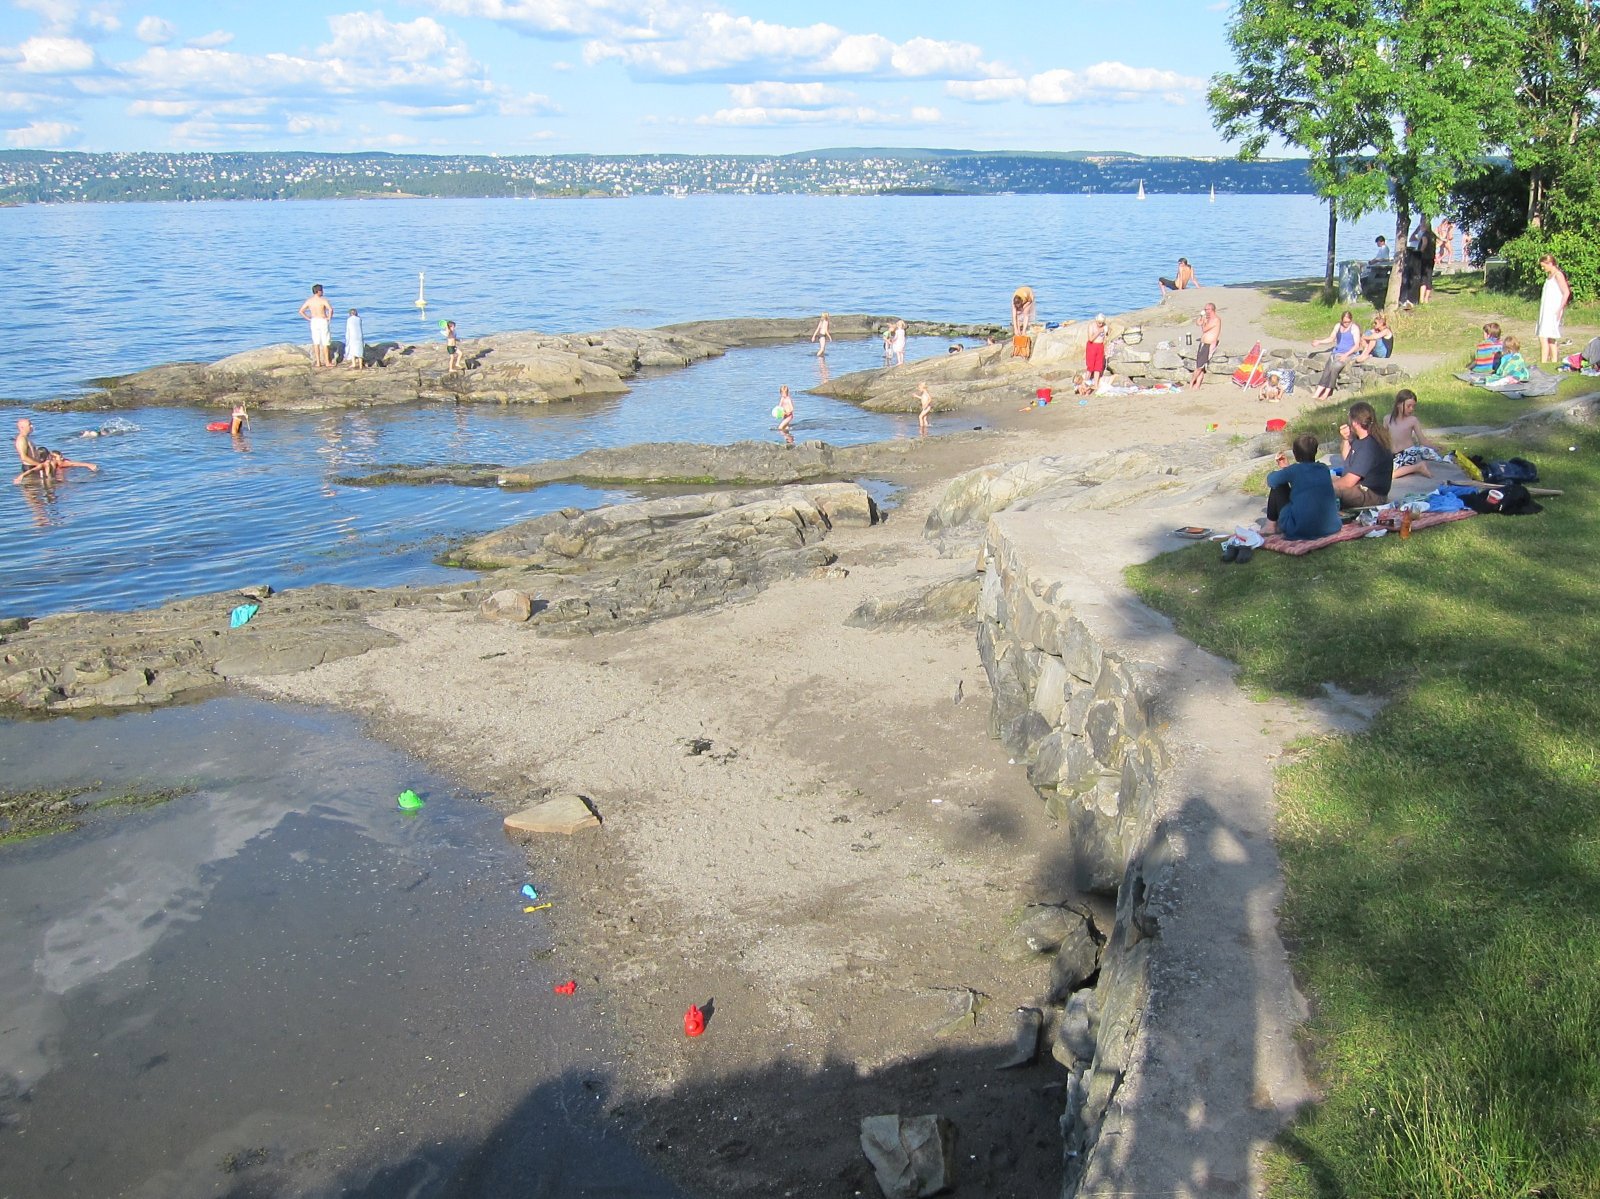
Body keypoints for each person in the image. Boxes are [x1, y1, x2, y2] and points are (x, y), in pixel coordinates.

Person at [1264, 433, 1341, 540]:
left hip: (1299, 530)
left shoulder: (1294, 470)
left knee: (1278, 486)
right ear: (1315, 451)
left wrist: (1285, 471)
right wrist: (1287, 469)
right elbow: (1305, 477)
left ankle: (1270, 526)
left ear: (1295, 454)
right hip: (1330, 527)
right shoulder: (1324, 469)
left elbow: (1271, 481)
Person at [1332, 401, 1393, 508]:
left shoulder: (1369, 446)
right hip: (1359, 487)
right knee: (1322, 478)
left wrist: (1325, 487)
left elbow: (1349, 482)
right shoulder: (1360, 438)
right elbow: (1348, 460)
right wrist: (1346, 439)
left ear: (1355, 422)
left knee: (1330, 491)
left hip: (1372, 495)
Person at [1385, 389, 1449, 481]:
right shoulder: (1387, 419)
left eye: (1413, 406)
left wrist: (1436, 447)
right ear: (1399, 404)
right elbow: (1384, 437)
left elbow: (1422, 440)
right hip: (1393, 454)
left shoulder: (1412, 420)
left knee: (1390, 475)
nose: (1411, 409)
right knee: (1381, 471)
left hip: (1408, 453)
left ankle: (1418, 467)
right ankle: (1415, 467)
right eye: (1409, 406)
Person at [1310, 310, 1361, 400]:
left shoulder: (1354, 328)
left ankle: (1327, 391)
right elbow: (1331, 338)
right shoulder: (1338, 326)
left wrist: (1346, 355)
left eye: (1348, 322)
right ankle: (1318, 391)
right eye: (1345, 322)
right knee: (1328, 368)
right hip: (1336, 352)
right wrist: (1319, 342)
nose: (1346, 324)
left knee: (1335, 367)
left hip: (1348, 354)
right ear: (1341, 320)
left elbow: (1356, 345)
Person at [1536, 254, 1572, 363]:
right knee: (1550, 338)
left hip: (1553, 310)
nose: (1543, 268)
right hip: (1546, 309)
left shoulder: (1558, 275)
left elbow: (1566, 292)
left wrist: (1559, 308)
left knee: (1544, 336)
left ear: (1550, 263)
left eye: (1544, 266)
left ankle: (1543, 362)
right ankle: (1553, 361)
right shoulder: (1549, 276)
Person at [299, 283, 334, 368]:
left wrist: (309, 318)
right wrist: (329, 318)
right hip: (322, 320)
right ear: (318, 291)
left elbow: (301, 311)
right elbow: (330, 309)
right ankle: (327, 362)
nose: (322, 292)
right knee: (325, 342)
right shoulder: (323, 300)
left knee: (316, 342)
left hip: (314, 321)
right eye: (321, 290)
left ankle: (318, 362)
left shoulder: (309, 301)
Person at [1190, 302, 1220, 390]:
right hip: (1203, 344)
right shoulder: (1207, 318)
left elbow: (1205, 329)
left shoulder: (1215, 319)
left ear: (1212, 310)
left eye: (1207, 309)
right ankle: (1197, 385)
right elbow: (1198, 323)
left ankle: (1192, 383)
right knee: (1201, 366)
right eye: (1205, 309)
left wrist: (1204, 322)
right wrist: (1201, 316)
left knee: (1199, 366)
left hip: (1208, 345)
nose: (1206, 311)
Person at [13, 417, 50, 483]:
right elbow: (23, 457)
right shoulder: (21, 439)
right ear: (22, 427)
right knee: (31, 490)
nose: (32, 426)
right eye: (29, 425)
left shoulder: (26, 438)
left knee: (38, 489)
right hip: (29, 466)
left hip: (34, 466)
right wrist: (38, 464)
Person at [1084, 313, 1109, 387]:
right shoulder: (1091, 326)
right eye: (1099, 323)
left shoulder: (1104, 326)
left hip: (1100, 346)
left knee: (1098, 366)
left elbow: (1105, 337)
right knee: (1090, 366)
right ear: (1096, 320)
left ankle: (1096, 384)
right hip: (1092, 346)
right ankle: (1085, 382)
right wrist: (1098, 332)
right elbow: (1090, 339)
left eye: (1102, 323)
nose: (1100, 324)